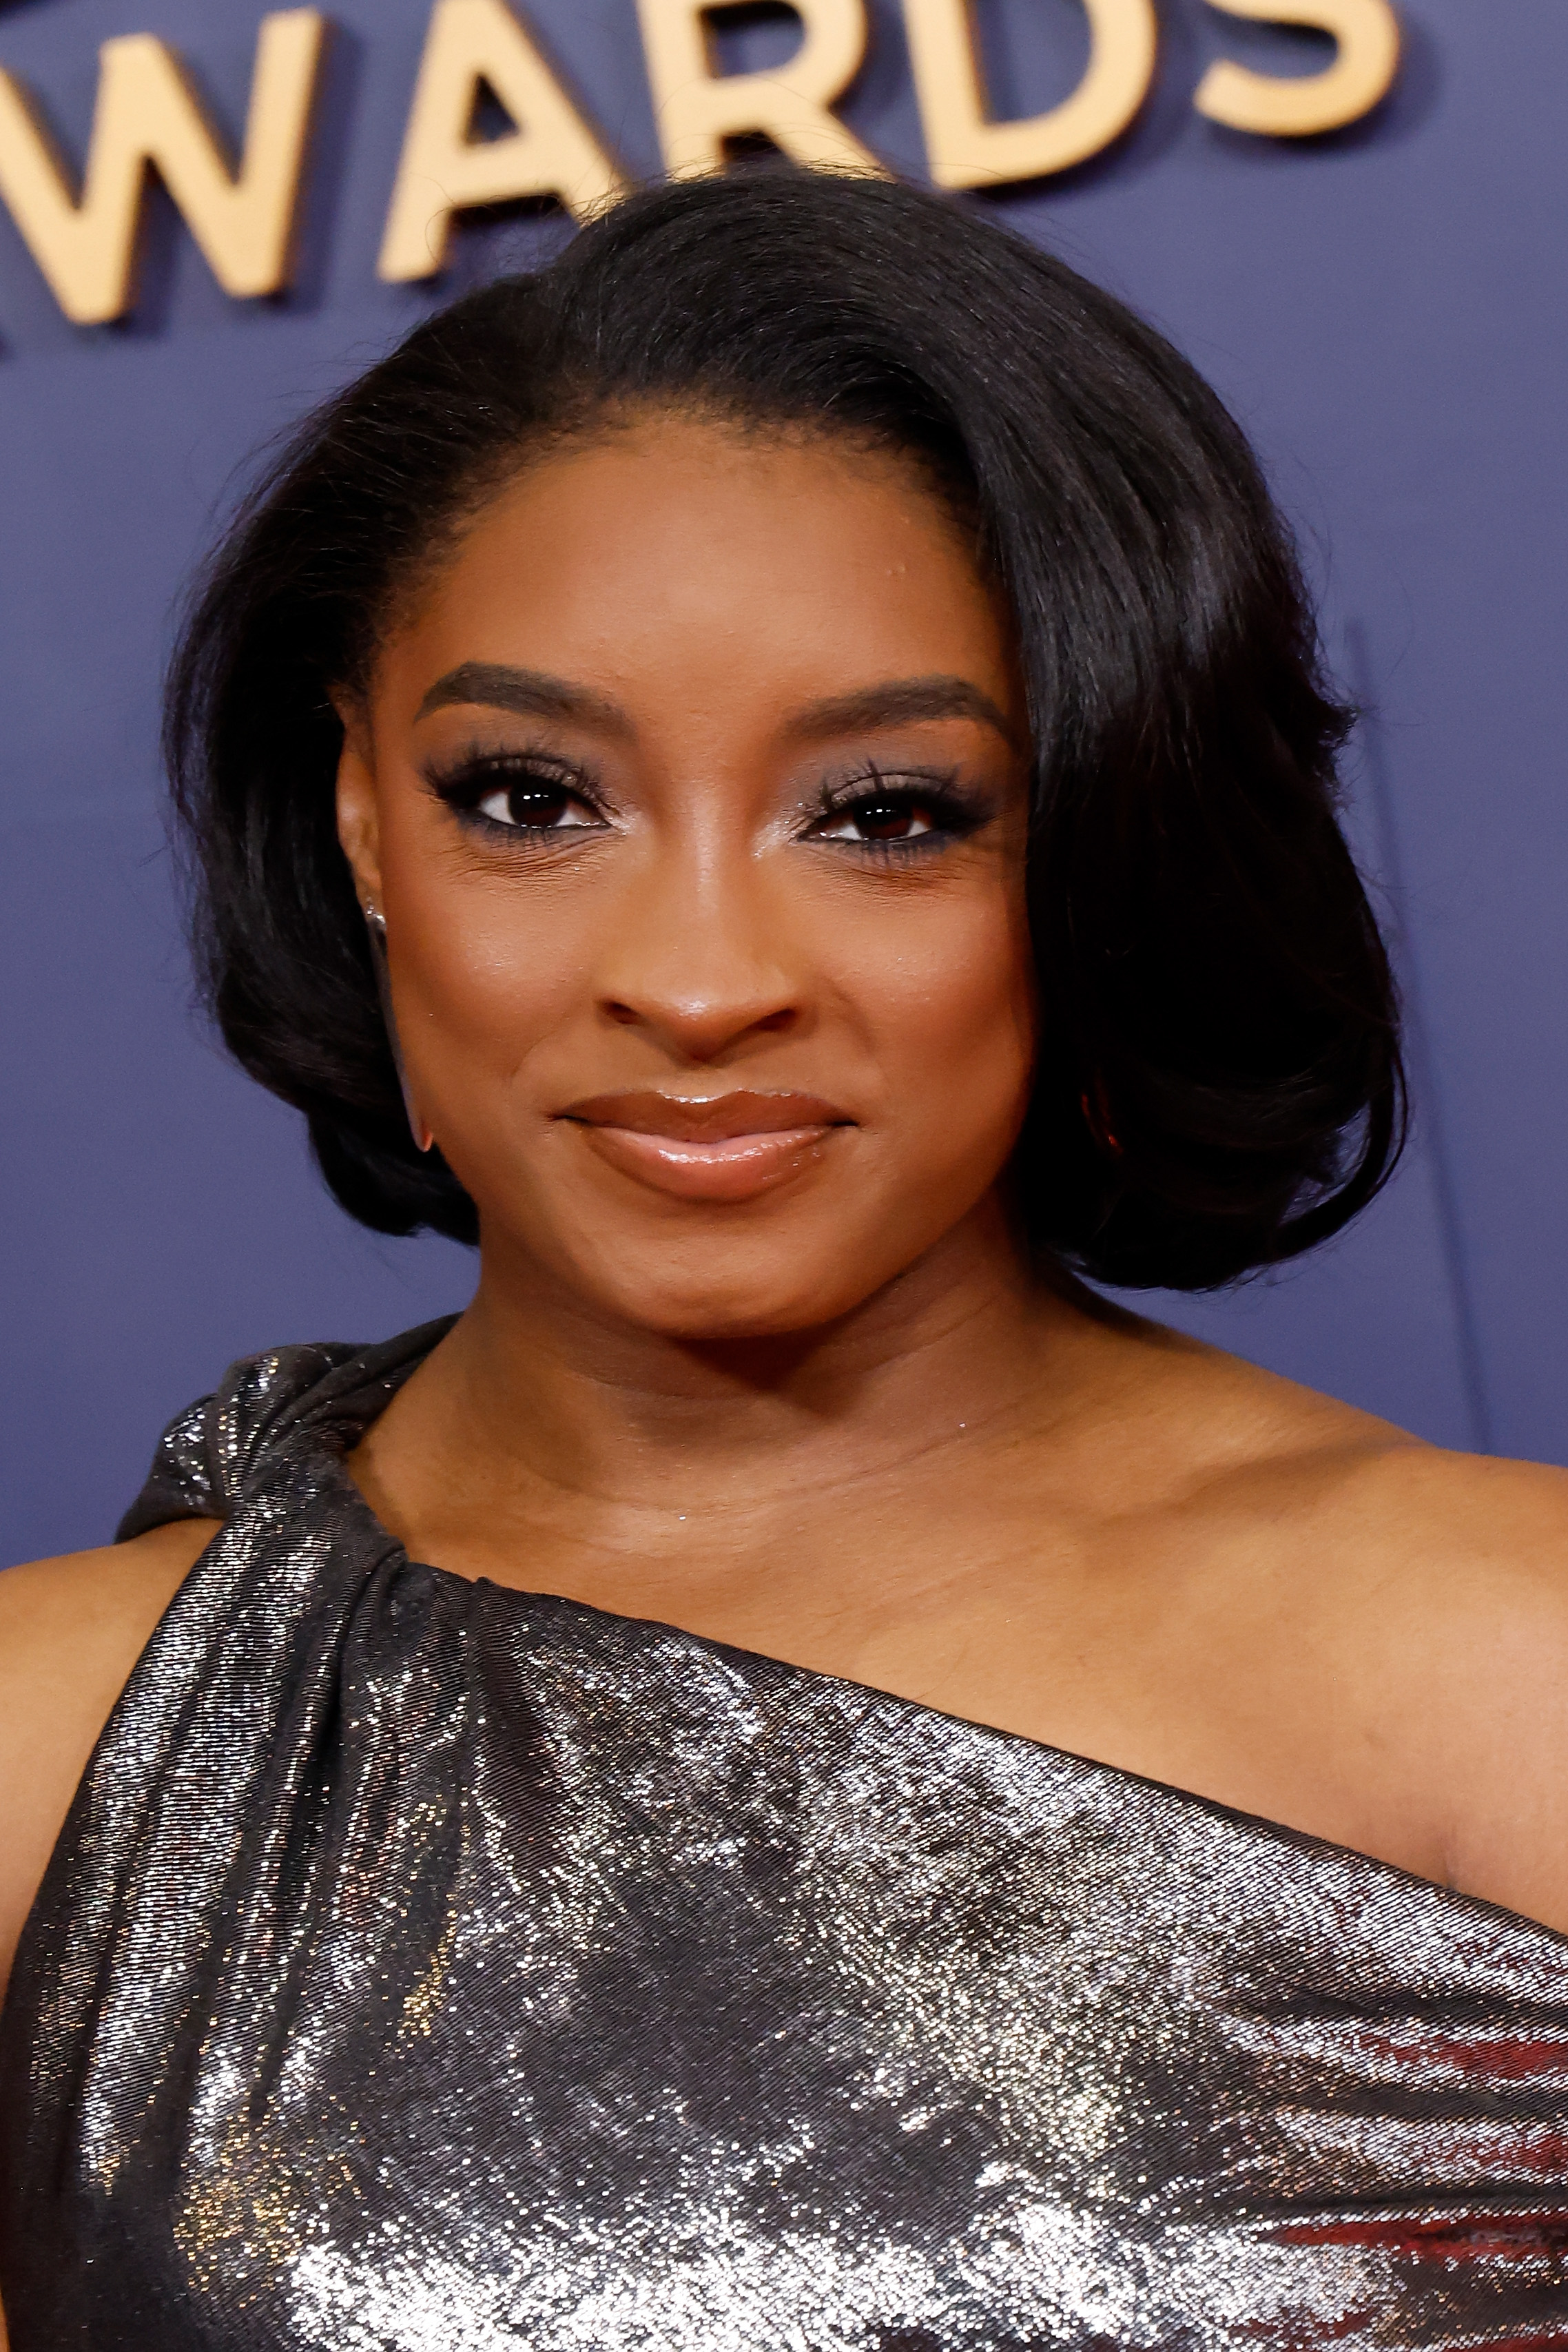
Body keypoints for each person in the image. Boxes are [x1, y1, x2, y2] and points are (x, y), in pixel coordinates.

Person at [1, 168, 1566, 2351]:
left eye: (890, 812)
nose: (703, 976)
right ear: (362, 816)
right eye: (532, 797)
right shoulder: (51, 1748)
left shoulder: (1511, 1670)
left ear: (1099, 837)